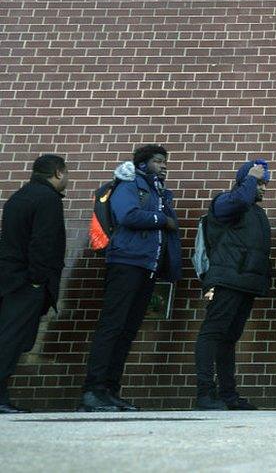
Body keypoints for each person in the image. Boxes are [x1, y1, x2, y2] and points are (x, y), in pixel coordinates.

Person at [79, 146, 182, 412]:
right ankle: (93, 391)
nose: (163, 166)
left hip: (148, 267)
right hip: (126, 263)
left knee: (127, 330)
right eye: (158, 161)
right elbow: (128, 215)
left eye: (165, 162)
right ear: (143, 164)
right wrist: (163, 219)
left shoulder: (159, 191)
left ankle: (110, 391)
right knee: (112, 327)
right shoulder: (129, 183)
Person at [194, 160, 272, 411]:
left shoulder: (257, 212)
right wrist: (250, 176)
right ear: (246, 180)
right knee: (212, 334)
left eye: (264, 183)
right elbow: (239, 200)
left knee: (229, 339)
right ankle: (205, 394)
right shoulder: (225, 202)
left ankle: (228, 394)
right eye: (260, 182)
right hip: (226, 281)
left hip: (245, 284)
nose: (263, 188)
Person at [0, 155, 68, 414]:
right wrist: (39, 281)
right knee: (12, 341)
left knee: (7, 337)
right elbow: (44, 242)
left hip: (9, 279)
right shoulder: (48, 199)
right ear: (58, 172)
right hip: (28, 284)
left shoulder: (18, 197)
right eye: (67, 174)